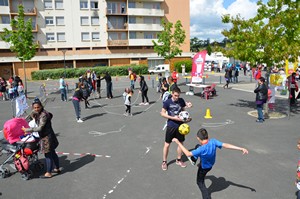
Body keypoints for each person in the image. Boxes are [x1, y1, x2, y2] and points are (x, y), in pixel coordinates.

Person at [172, 128, 248, 199]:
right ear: (208, 136)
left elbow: (188, 154)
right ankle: (194, 160)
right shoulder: (213, 141)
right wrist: (240, 148)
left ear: (198, 138)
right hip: (210, 163)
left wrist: (178, 142)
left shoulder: (202, 149)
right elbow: (226, 145)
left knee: (200, 183)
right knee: (197, 146)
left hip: (204, 168)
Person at [22, 98, 60, 179]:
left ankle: (49, 173)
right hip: (49, 134)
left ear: (41, 106)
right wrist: (33, 113)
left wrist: (27, 130)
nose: (36, 109)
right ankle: (57, 168)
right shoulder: (41, 112)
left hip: (46, 137)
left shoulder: (43, 115)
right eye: (34, 107)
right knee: (53, 152)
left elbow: (40, 128)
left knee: (48, 154)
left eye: (38, 107)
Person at [160, 87, 192, 171]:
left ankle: (178, 160)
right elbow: (162, 113)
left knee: (180, 144)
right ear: (172, 94)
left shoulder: (181, 100)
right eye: (175, 95)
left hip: (181, 127)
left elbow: (184, 112)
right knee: (167, 144)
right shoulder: (167, 102)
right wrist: (173, 118)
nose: (177, 97)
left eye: (178, 95)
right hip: (171, 126)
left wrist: (187, 118)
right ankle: (164, 162)